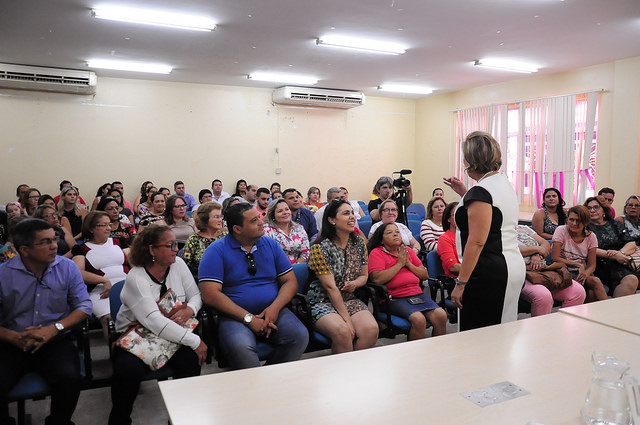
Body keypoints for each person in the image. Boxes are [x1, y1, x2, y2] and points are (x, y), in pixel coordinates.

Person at [109, 225, 206, 425]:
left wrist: (190, 310)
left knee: (190, 360)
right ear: (152, 250)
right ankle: (119, 419)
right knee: (128, 370)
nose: (176, 249)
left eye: (175, 244)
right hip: (135, 336)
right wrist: (195, 340)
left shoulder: (177, 264)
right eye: (170, 245)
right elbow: (154, 321)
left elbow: (195, 295)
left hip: (170, 333)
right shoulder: (137, 277)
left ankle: (181, 417)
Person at [0, 218, 92, 425]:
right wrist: (14, 337)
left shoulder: (67, 267)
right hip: (11, 342)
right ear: (24, 249)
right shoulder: (4, 274)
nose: (54, 246)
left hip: (55, 340)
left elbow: (84, 307)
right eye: (45, 242)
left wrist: (54, 329)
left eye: (55, 239)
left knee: (70, 378)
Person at [198, 203, 308, 369]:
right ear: (238, 229)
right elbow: (210, 294)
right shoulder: (216, 251)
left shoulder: (270, 245)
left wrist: (274, 309)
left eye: (259, 217)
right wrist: (248, 318)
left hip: (273, 311)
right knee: (241, 347)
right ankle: (255, 388)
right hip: (234, 316)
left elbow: (290, 281)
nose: (261, 222)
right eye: (254, 220)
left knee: (299, 336)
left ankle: (271, 380)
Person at [443, 131, 525, 331]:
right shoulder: (502, 183)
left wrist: (461, 283)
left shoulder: (481, 192)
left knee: (479, 333)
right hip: (511, 264)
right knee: (503, 327)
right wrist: (465, 193)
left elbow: (477, 241)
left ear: (471, 160)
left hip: (488, 270)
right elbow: (492, 215)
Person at [307, 199, 378, 354]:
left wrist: (355, 283)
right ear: (332, 220)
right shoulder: (319, 247)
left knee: (371, 330)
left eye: (352, 213)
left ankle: (353, 370)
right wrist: (347, 320)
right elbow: (330, 288)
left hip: (348, 298)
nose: (352, 217)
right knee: (344, 332)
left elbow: (364, 275)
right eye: (346, 213)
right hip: (322, 301)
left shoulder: (358, 242)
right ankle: (340, 375)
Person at [367, 222, 447, 340]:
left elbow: (425, 275)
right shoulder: (377, 253)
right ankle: (413, 356)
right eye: (390, 233)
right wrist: (399, 264)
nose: (395, 235)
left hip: (417, 294)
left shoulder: (407, 251)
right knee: (419, 320)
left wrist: (408, 264)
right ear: (381, 240)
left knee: (441, 316)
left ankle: (436, 353)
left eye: (397, 232)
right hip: (394, 298)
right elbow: (377, 279)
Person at [72, 211, 130, 340]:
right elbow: (78, 272)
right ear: (92, 229)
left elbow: (135, 262)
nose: (109, 228)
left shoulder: (119, 242)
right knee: (108, 318)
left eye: (109, 224)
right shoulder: (81, 249)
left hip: (127, 286)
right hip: (101, 292)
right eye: (103, 225)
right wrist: (104, 280)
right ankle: (115, 349)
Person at [516, 225, 586, 316]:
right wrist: (536, 249)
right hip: (522, 273)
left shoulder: (522, 228)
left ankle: (563, 327)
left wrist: (538, 255)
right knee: (544, 296)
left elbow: (545, 244)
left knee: (578, 292)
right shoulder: (500, 233)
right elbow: (510, 250)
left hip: (542, 270)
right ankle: (541, 329)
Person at [552, 205, 609, 302]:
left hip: (581, 272)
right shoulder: (561, 230)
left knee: (591, 293)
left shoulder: (591, 237)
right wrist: (577, 265)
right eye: (571, 219)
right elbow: (555, 257)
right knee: (595, 281)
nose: (574, 223)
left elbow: (592, 265)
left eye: (578, 220)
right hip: (563, 270)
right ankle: (610, 313)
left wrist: (585, 274)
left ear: (585, 222)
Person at [585, 196, 639, 297]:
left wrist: (620, 253)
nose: (592, 210)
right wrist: (613, 255)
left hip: (617, 263)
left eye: (596, 207)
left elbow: (631, 243)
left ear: (603, 209)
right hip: (596, 264)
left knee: (632, 280)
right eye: (589, 208)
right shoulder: (585, 226)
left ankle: (618, 311)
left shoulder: (614, 224)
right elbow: (586, 248)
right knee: (592, 292)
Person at [182, 201, 227, 280]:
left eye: (221, 216)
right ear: (205, 219)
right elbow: (185, 266)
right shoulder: (194, 239)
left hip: (226, 279)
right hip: (201, 280)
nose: (220, 220)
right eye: (216, 217)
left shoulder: (226, 237)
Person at [263, 198, 310, 264]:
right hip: (277, 269)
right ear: (273, 215)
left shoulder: (299, 228)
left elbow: (305, 252)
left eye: (287, 209)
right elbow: (267, 256)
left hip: (298, 267)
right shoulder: (266, 231)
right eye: (280, 211)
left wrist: (296, 265)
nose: (285, 213)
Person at [437, 202, 461, 277]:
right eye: (455, 215)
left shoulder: (469, 236)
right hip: (457, 281)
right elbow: (453, 267)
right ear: (448, 219)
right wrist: (477, 270)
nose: (459, 217)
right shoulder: (444, 239)